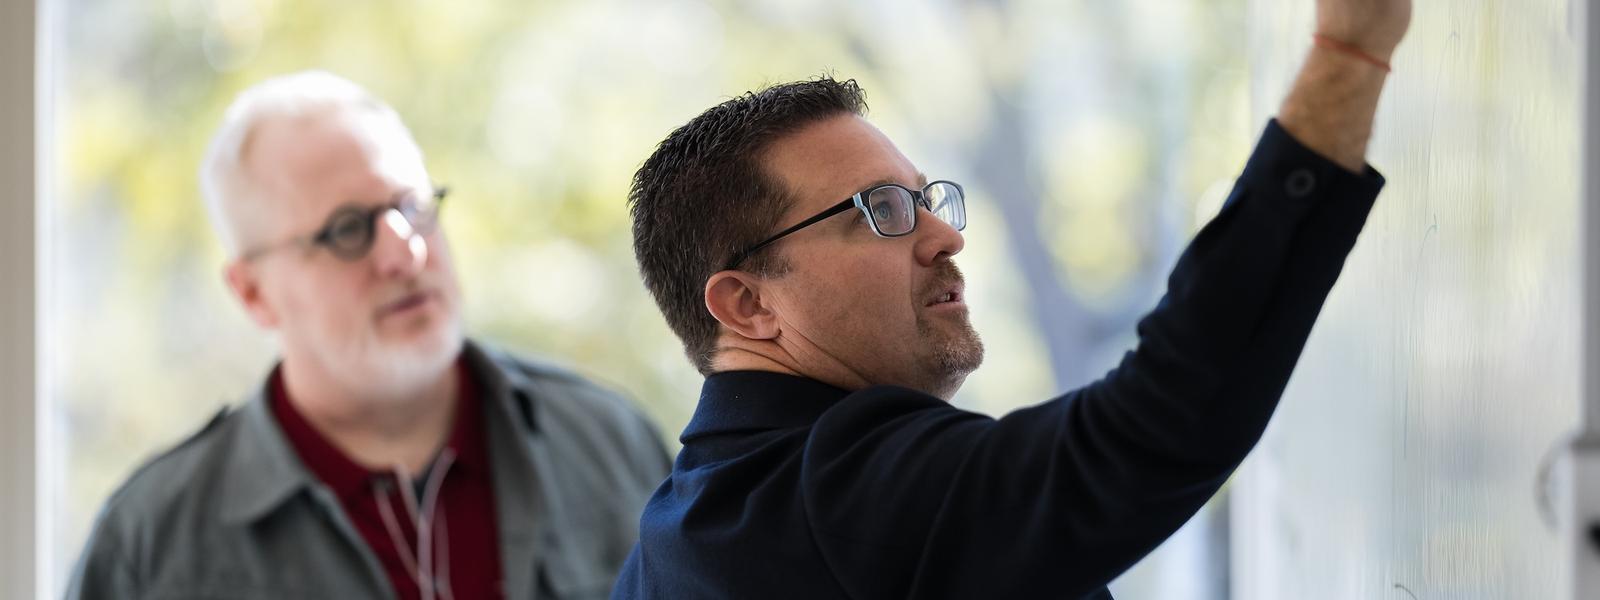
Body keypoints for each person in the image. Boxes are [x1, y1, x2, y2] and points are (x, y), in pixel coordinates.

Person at [616, 0, 1410, 597]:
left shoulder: (670, 541)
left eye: (927, 200)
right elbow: (1150, 431)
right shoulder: (828, 493)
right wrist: (1349, 51)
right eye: (881, 212)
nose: (944, 237)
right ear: (748, 305)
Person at [67, 71, 670, 600]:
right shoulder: (152, 541)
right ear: (253, 293)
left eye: (411, 207)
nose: (404, 253)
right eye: (346, 230)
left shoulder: (612, 445)